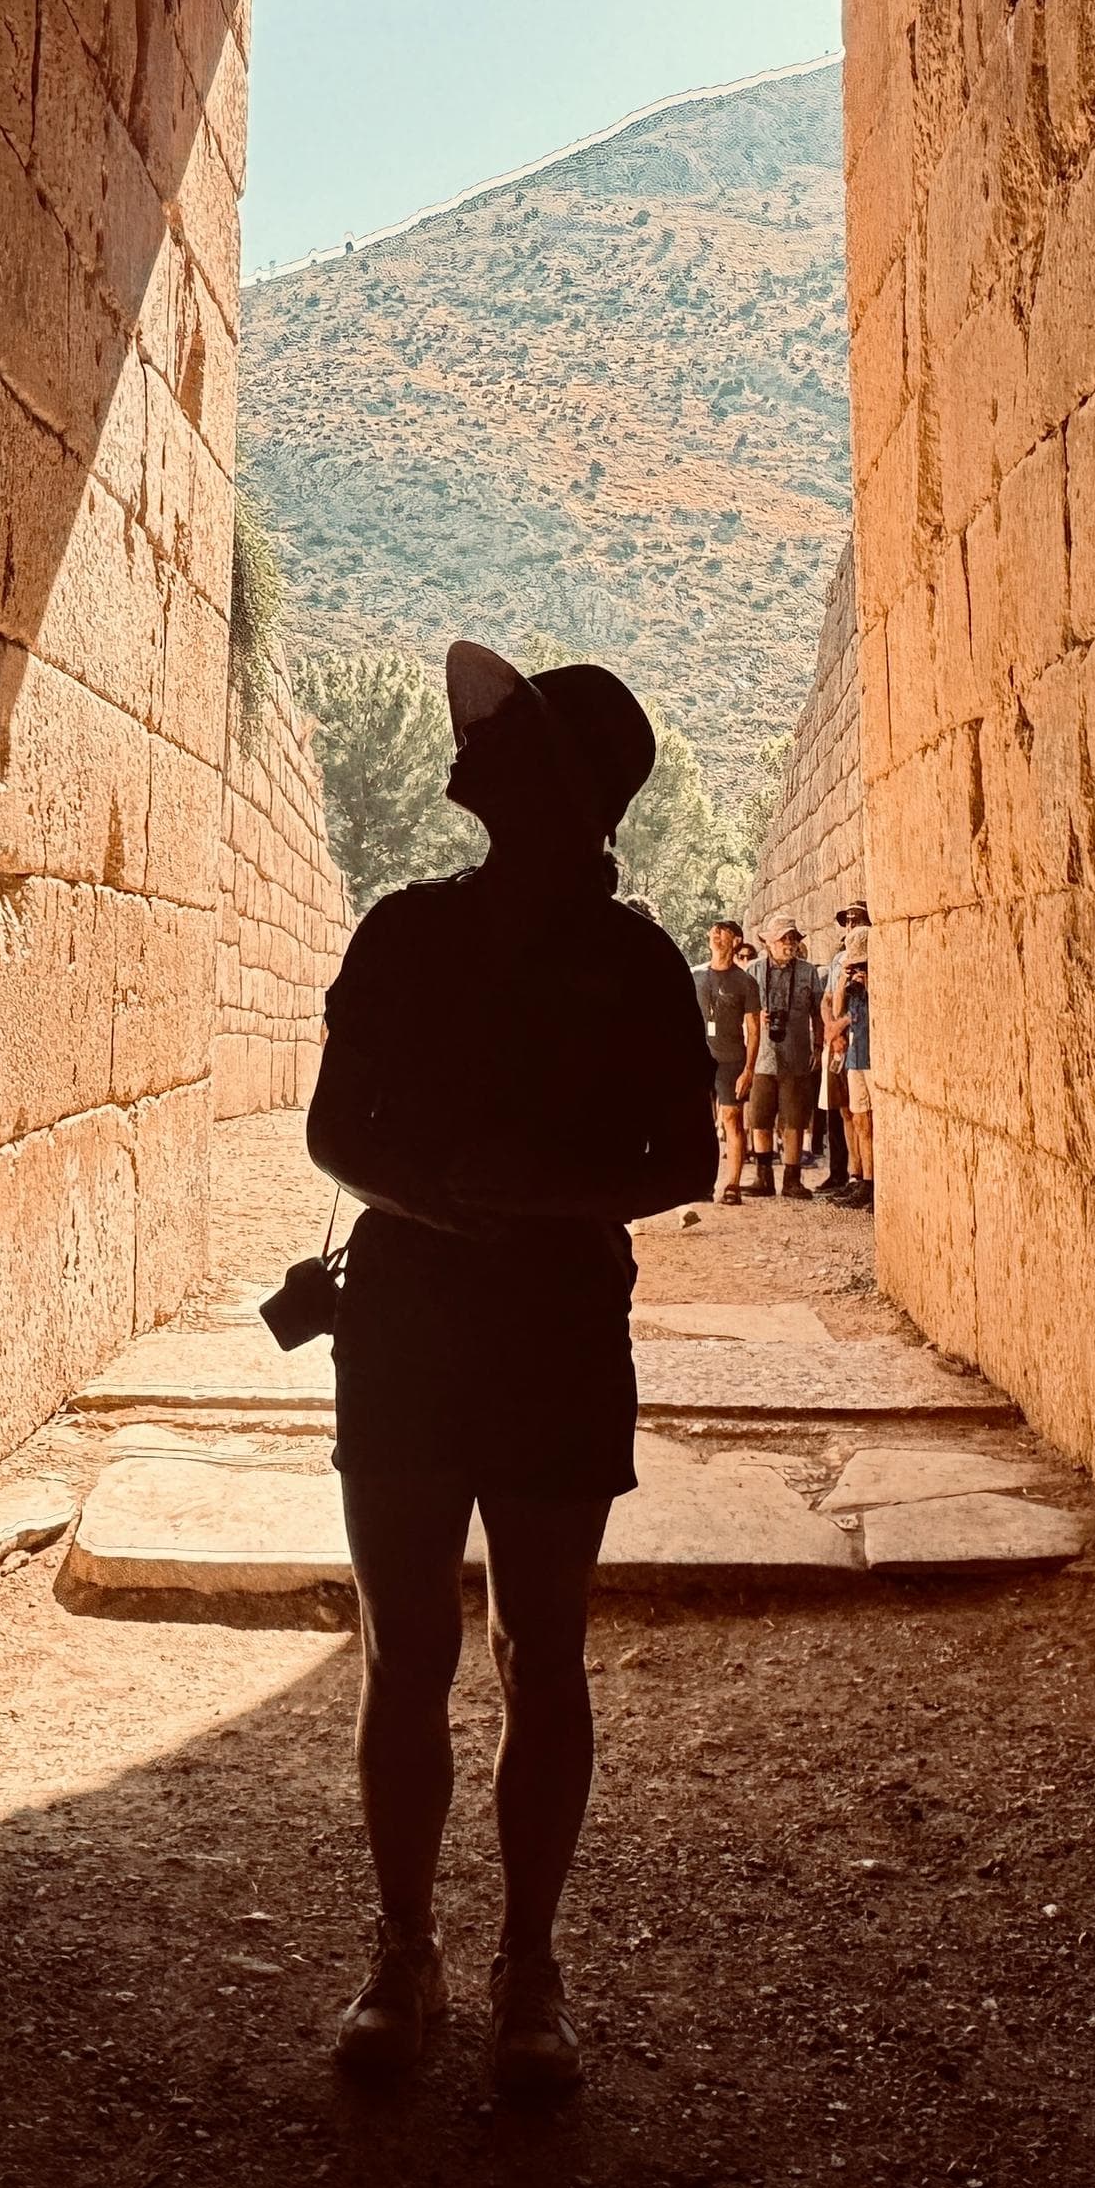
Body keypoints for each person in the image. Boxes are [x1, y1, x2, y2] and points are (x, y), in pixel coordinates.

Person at [306, 641, 716, 2096]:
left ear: (559, 786)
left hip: (524, 1326)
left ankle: (518, 1964)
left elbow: (690, 1158)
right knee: (413, 1646)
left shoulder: (631, 958)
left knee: (538, 1649)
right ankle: (408, 1950)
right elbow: (333, 1132)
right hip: (423, 1318)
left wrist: (520, 1195)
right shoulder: (408, 931)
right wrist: (438, 1199)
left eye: (508, 734)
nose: (468, 741)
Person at [747, 920, 826, 1198]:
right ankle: (763, 1178)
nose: (789, 943)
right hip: (762, 1057)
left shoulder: (808, 972)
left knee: (794, 1120)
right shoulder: (754, 970)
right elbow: (744, 1012)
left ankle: (792, 1180)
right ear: (768, 942)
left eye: (792, 938)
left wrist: (818, 1046)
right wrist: (759, 1016)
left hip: (796, 1055)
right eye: (783, 939)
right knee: (760, 1118)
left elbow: (818, 1012)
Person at [692, 918, 761, 1205]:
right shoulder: (694, 976)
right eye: (714, 930)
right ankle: (702, 1184)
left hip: (731, 1058)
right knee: (699, 1122)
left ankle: (732, 1184)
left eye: (724, 931)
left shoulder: (745, 982)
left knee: (732, 1119)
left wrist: (749, 1069)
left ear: (736, 941)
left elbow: (755, 1028)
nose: (716, 934)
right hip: (697, 1058)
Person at [826, 916, 875, 1209]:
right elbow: (837, 1008)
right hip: (856, 1057)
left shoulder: (878, 979)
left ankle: (878, 1182)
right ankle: (866, 1182)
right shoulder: (850, 979)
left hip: (875, 1057)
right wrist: (845, 979)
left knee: (876, 1123)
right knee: (860, 1120)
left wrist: (870, 981)